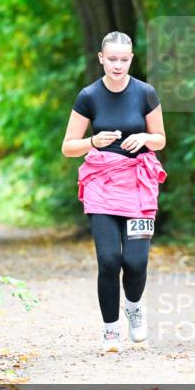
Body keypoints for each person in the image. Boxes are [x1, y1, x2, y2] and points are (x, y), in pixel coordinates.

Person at [61, 31, 167, 353]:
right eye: (112, 59)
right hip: (101, 185)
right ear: (101, 58)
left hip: (138, 185)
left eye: (124, 59)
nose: (118, 65)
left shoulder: (145, 93)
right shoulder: (88, 96)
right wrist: (94, 141)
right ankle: (110, 331)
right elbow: (68, 147)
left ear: (131, 59)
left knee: (135, 263)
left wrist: (145, 140)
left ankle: (133, 306)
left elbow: (160, 138)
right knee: (109, 260)